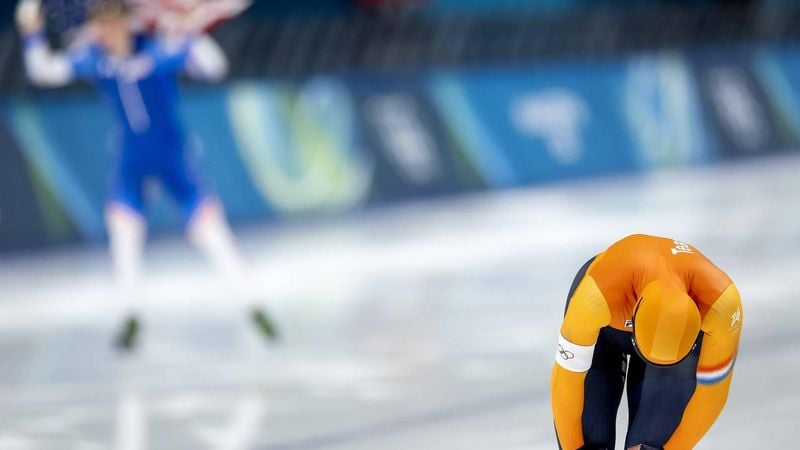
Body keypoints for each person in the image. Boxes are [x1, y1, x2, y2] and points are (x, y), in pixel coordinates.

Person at [16, 0, 278, 350]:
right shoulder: (97, 61)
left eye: (115, 24)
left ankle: (255, 308)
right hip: (131, 162)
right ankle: (129, 318)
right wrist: (31, 34)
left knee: (213, 235)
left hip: (174, 160)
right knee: (124, 237)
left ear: (128, 23)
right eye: (103, 26)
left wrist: (191, 35)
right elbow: (45, 72)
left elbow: (213, 67)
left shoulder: (157, 52)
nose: (109, 33)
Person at [551, 234, 742, 450]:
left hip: (676, 339)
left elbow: (712, 394)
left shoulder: (721, 304)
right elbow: (567, 380)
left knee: (649, 446)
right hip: (605, 329)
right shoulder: (595, 296)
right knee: (588, 443)